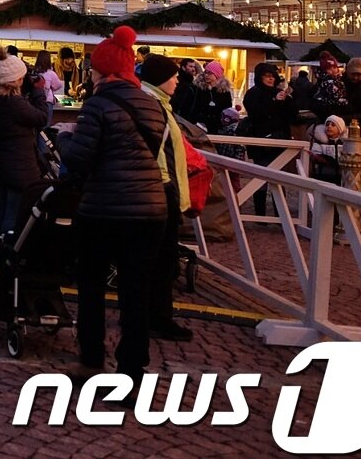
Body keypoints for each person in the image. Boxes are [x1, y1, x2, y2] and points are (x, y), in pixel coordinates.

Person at [57, 25, 167, 383]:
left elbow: (79, 159)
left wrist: (64, 140)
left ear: (103, 72)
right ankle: (132, 371)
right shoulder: (152, 105)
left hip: (104, 207)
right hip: (150, 209)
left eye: (93, 70)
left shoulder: (98, 105)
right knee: (136, 292)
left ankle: (91, 359)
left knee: (92, 286)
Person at [138, 54, 195, 342]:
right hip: (161, 190)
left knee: (158, 259)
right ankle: (158, 317)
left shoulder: (158, 104)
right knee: (162, 260)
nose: (177, 81)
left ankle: (149, 315)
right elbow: (158, 153)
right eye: (173, 77)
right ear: (160, 79)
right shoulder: (153, 106)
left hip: (161, 188)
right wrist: (167, 187)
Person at [0, 48, 47, 236]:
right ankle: (5, 246)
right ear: (17, 79)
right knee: (13, 213)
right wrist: (39, 92)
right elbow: (41, 117)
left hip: (2, 161)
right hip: (18, 164)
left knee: (4, 208)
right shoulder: (13, 103)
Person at [240, 62, 296, 216]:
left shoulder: (279, 93)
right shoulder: (252, 94)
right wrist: (274, 102)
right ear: (260, 77)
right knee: (261, 178)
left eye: (273, 76)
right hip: (260, 142)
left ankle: (280, 214)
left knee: (279, 179)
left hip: (279, 141)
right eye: (267, 76)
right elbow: (256, 114)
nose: (271, 79)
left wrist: (289, 100)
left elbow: (292, 116)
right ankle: (260, 214)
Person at [184, 60, 233, 134]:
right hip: (199, 127)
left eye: (210, 73)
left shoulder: (224, 91)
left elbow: (227, 110)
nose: (206, 75)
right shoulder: (198, 88)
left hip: (218, 128)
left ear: (217, 74)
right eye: (205, 72)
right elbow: (191, 107)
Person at [32, 50, 63, 125]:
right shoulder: (51, 73)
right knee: (46, 125)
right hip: (47, 101)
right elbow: (58, 85)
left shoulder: (33, 72)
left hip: (34, 101)